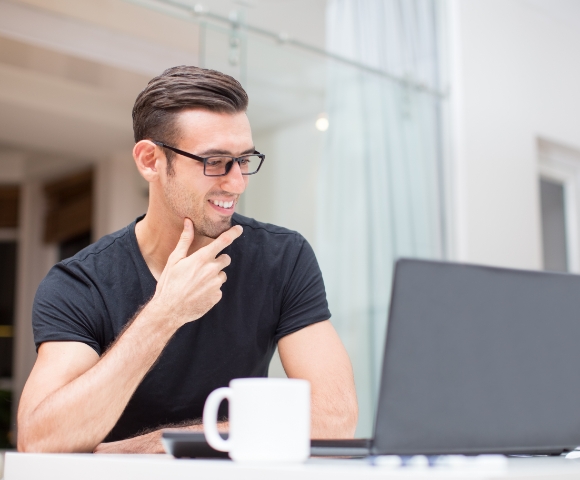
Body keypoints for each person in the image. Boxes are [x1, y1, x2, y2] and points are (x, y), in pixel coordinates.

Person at [17, 66, 358, 454]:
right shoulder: (81, 283)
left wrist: (160, 444)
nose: (236, 182)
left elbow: (334, 418)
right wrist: (165, 313)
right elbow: (40, 440)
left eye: (244, 159)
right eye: (214, 161)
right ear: (150, 161)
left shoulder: (283, 257)